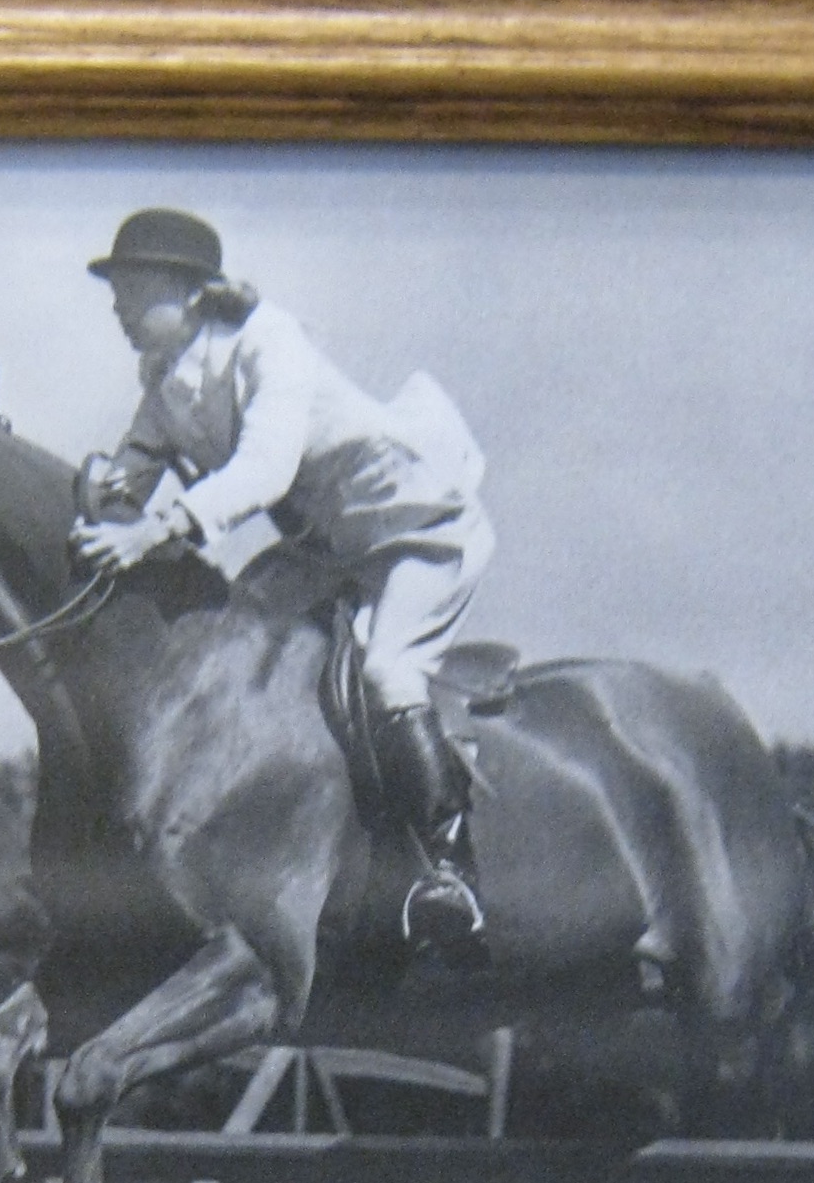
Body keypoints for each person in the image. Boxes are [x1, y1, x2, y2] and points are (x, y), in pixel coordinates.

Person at [69, 207, 496, 952]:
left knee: (388, 671)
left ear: (189, 292)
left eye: (132, 290)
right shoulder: (163, 376)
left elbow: (263, 472)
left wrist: (156, 528)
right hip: (327, 549)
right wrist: (93, 495)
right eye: (117, 292)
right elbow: (133, 468)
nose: (117, 308)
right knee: (238, 647)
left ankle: (446, 871)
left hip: (415, 530)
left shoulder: (271, 343)